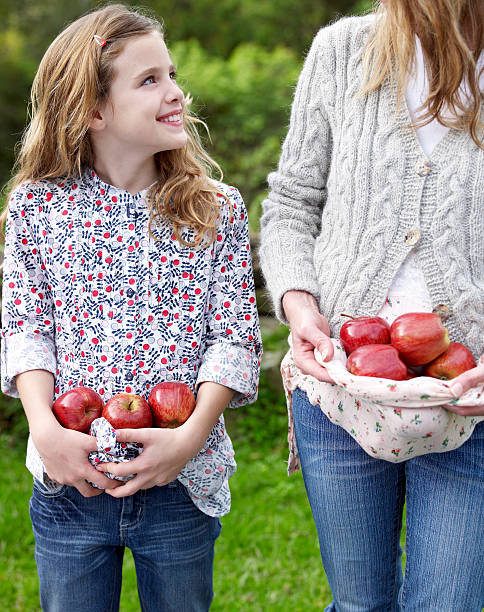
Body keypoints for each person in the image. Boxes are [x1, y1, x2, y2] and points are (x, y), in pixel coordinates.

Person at [1, 4, 261, 611]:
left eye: (171, 74)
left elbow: (234, 337)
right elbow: (26, 329)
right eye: (149, 81)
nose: (175, 92)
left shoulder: (214, 207)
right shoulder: (38, 208)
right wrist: (45, 429)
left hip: (180, 480)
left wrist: (190, 438)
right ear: (92, 109)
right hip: (73, 478)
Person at [260, 0, 483, 609]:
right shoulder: (341, 53)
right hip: (339, 386)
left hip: (470, 400)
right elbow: (291, 207)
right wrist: (300, 306)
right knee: (361, 604)